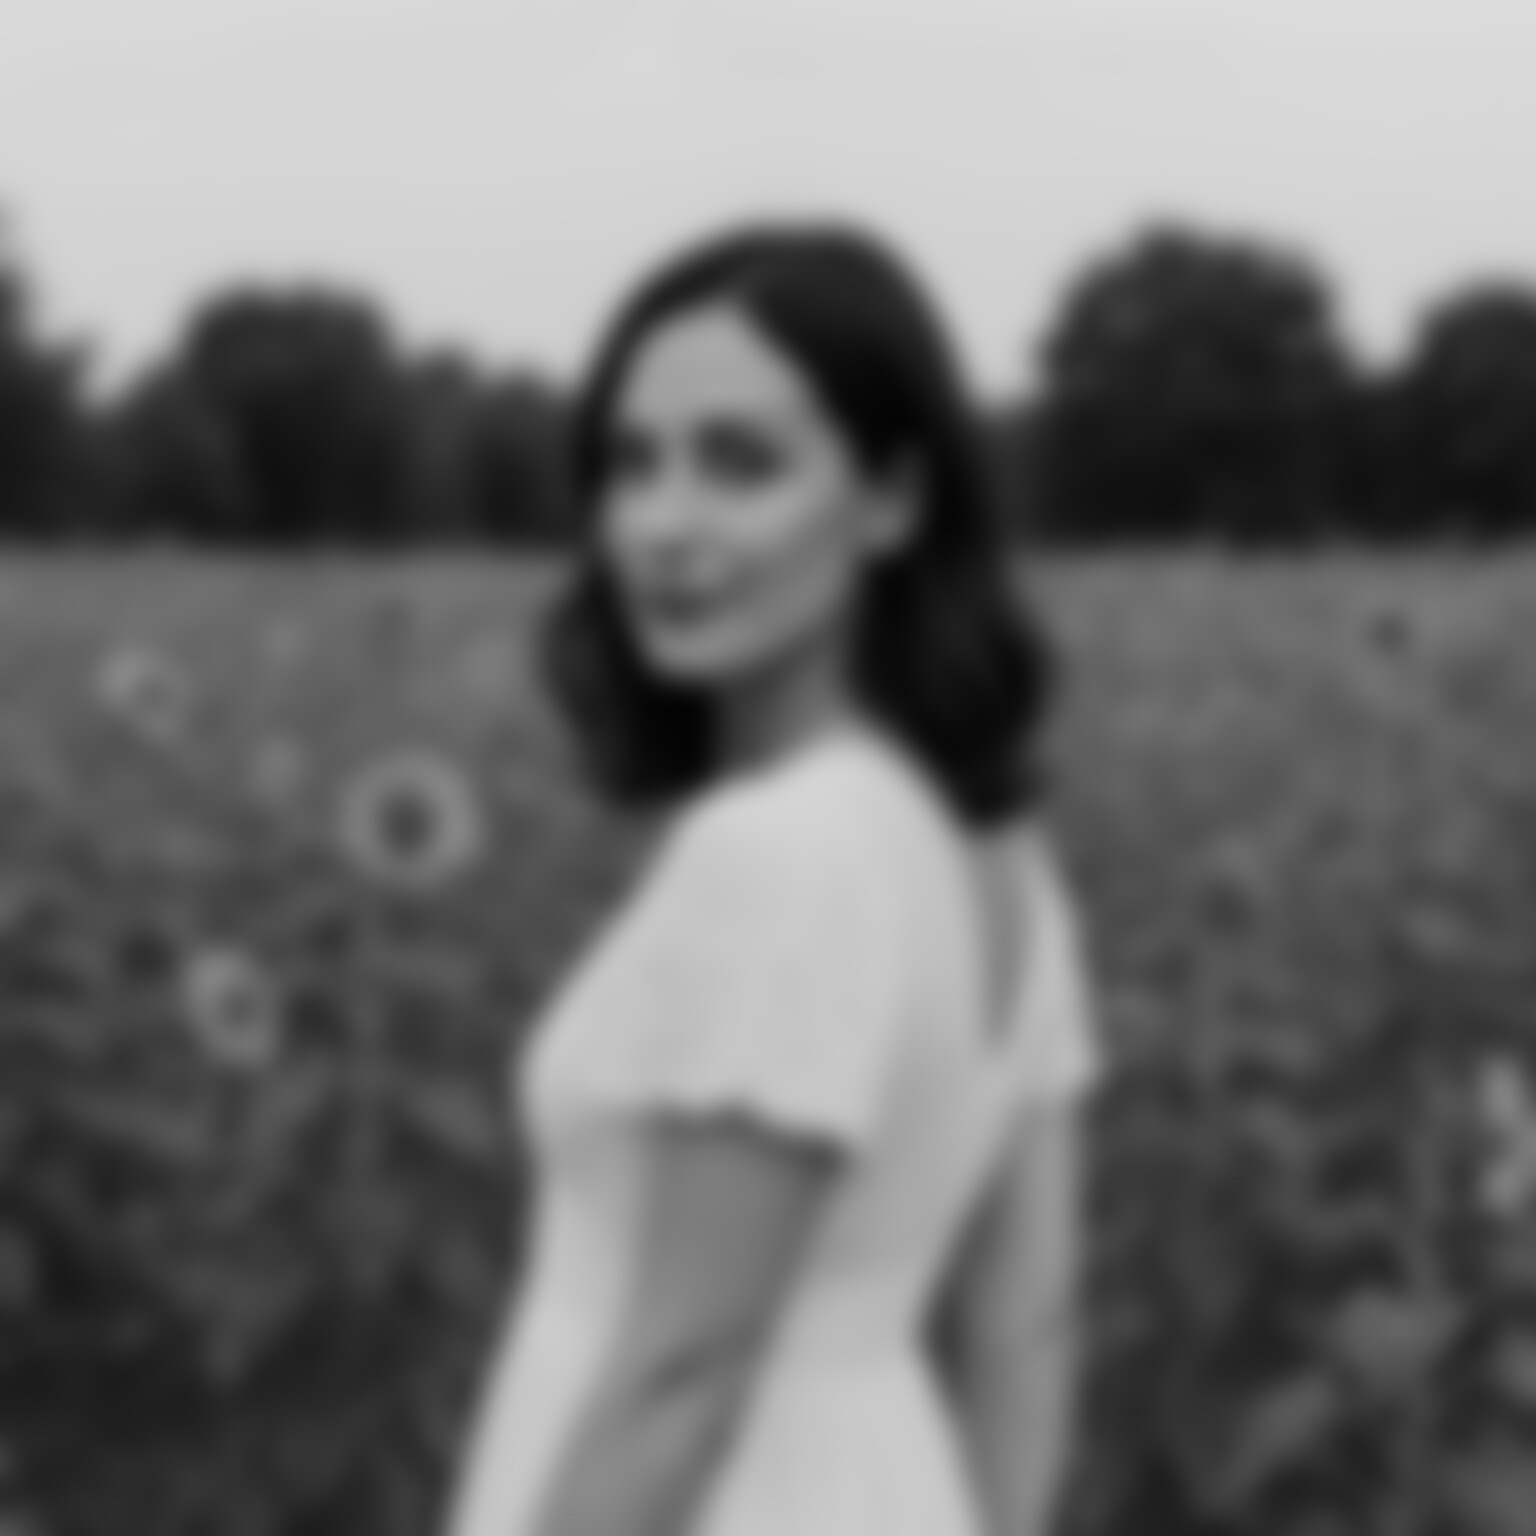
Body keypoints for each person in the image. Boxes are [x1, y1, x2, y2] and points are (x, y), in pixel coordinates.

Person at [444, 218, 1103, 1536]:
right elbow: (1027, 1315)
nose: (663, 525)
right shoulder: (994, 852)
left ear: (893, 497)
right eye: (633, 463)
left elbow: (680, 1385)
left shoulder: (783, 851)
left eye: (740, 463)